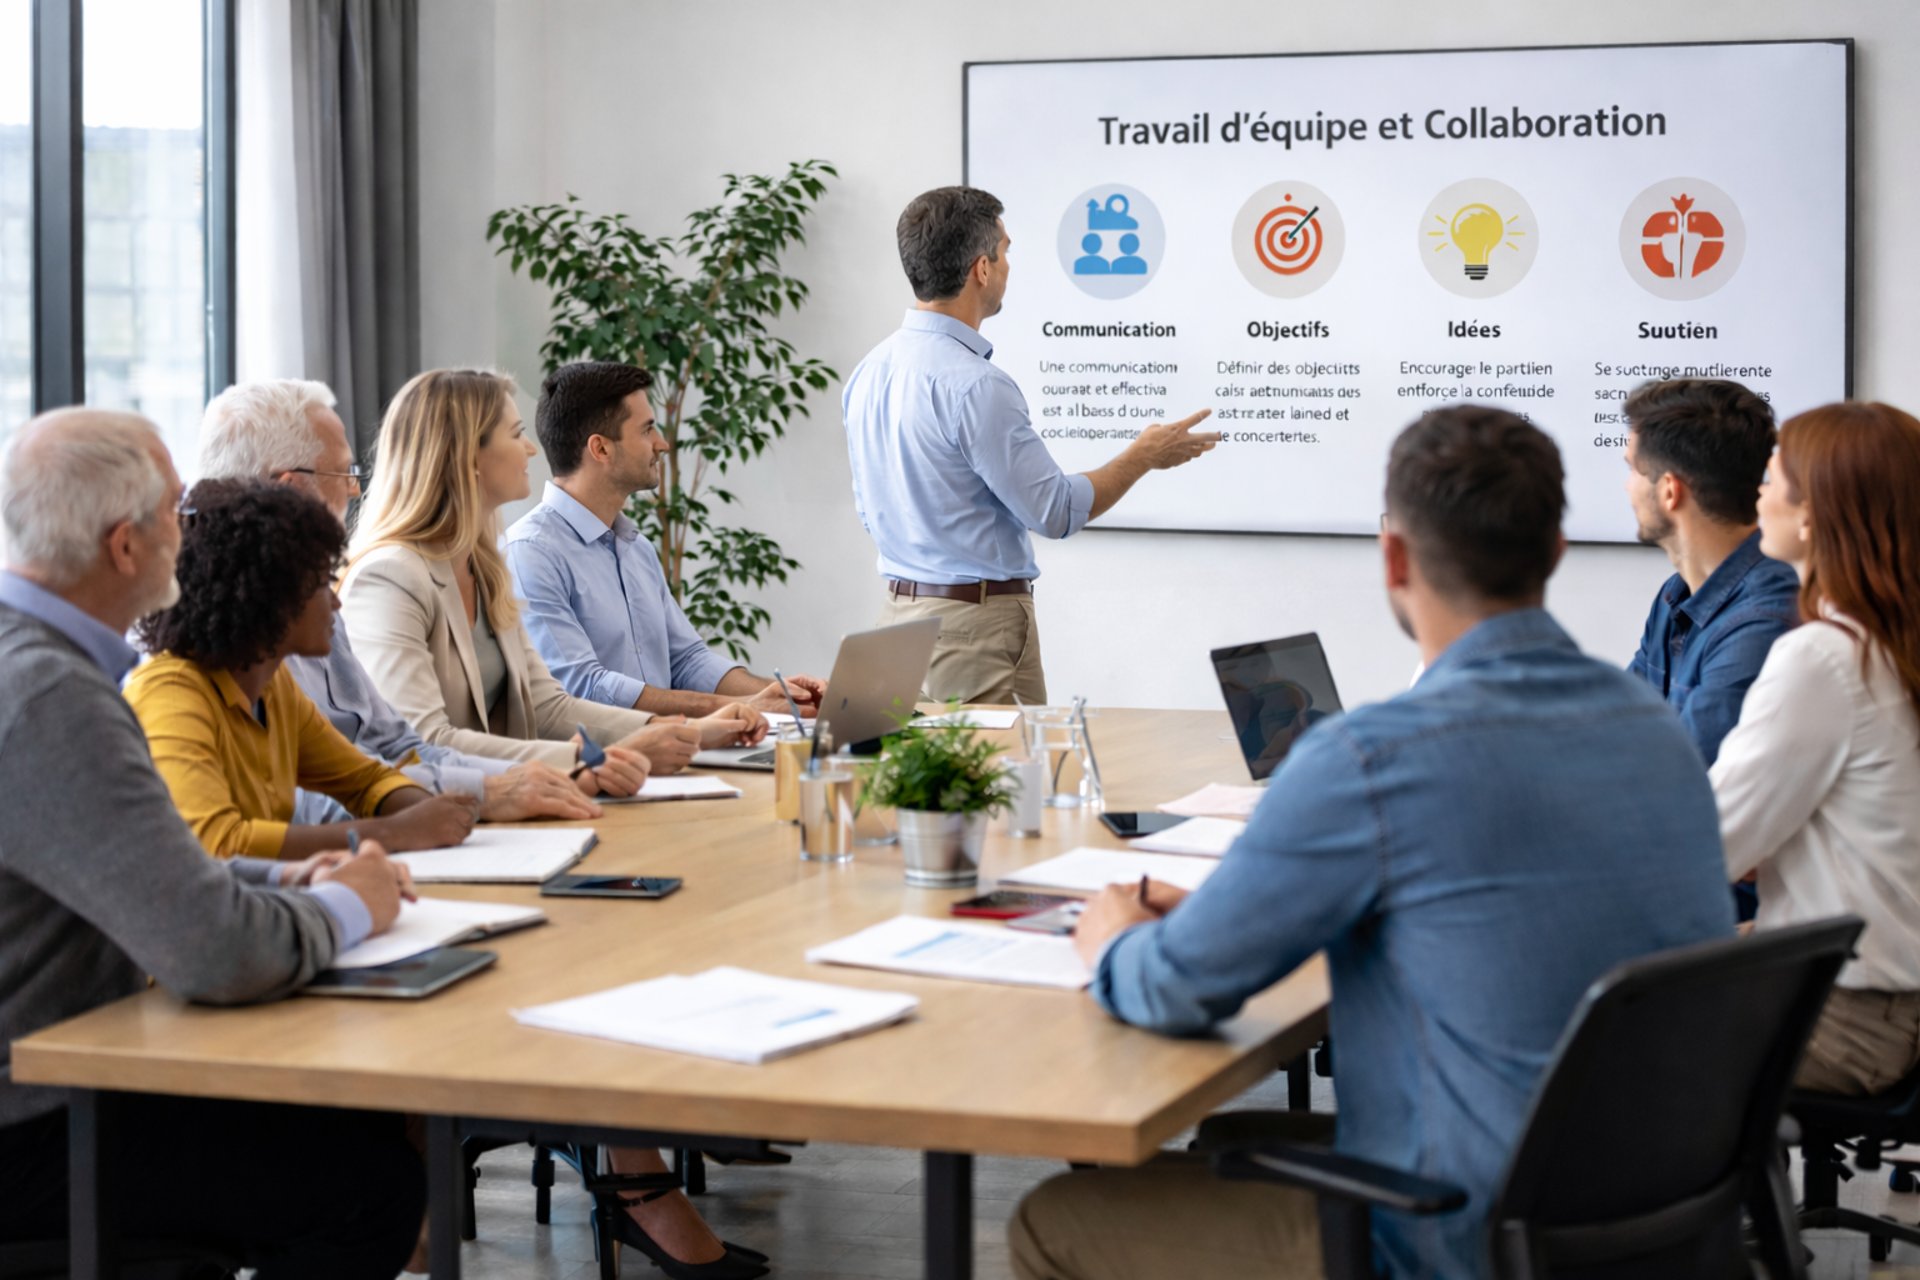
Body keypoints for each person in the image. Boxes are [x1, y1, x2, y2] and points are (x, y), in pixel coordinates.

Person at [1010, 406, 1734, 1280]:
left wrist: (1115, 939)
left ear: (1393, 559)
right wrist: (1229, 912)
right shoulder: (1656, 730)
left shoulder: (1370, 757)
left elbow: (1174, 990)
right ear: (1556, 552)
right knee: (1234, 1137)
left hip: (1463, 1234)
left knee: (1060, 1219)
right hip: (1654, 1219)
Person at [0, 408, 422, 1277]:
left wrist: (282, 877)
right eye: (175, 517)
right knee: (366, 1180)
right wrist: (352, 901)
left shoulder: (35, 664)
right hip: (29, 1125)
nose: (187, 541)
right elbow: (215, 953)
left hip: (46, 1087)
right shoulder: (52, 695)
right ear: (125, 546)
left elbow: (114, 863)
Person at [844, 185, 1219, 704]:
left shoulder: (869, 371)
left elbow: (872, 509)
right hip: (971, 630)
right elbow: (1055, 512)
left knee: (906, 785)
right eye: (1007, 251)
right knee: (1001, 782)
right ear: (981, 268)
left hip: (894, 621)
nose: (1009, 267)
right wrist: (1142, 458)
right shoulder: (977, 386)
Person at [198, 378, 601, 825]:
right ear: (290, 489)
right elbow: (297, 798)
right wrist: (490, 792)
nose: (354, 491)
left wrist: (520, 780)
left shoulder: (309, 608)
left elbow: (395, 751)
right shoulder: (219, 646)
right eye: (344, 474)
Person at [340, 367, 763, 781]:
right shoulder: (389, 578)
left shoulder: (486, 568)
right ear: (468, 456)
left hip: (511, 808)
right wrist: (594, 759)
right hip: (442, 824)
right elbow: (421, 742)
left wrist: (682, 733)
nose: (531, 448)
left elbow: (548, 707)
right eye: (515, 433)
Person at [1711, 401, 1920, 1097]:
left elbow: (1708, 849)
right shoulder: (1893, 645)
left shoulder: (1824, 659)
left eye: (1771, 479)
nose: (1757, 495)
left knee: (1581, 1019)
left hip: (1849, 1016)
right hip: (1891, 993)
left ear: (1812, 516)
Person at [124, 478, 480, 860]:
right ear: (271, 596)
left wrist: (428, 811)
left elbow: (364, 781)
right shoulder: (172, 693)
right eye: (323, 583)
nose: (336, 603)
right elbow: (216, 844)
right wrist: (395, 831)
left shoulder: (273, 687)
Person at [506, 361, 826, 720]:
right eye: (647, 431)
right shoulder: (530, 553)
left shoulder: (635, 548)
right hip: (600, 765)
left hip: (672, 751)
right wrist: (739, 707)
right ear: (601, 449)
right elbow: (583, 686)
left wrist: (785, 696)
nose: (663, 444)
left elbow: (687, 660)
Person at [1623, 379, 1800, 767]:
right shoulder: (1675, 594)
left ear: (1669, 490)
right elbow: (1619, 722)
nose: (1626, 487)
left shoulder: (1764, 621)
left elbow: (1686, 777)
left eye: (1632, 470)